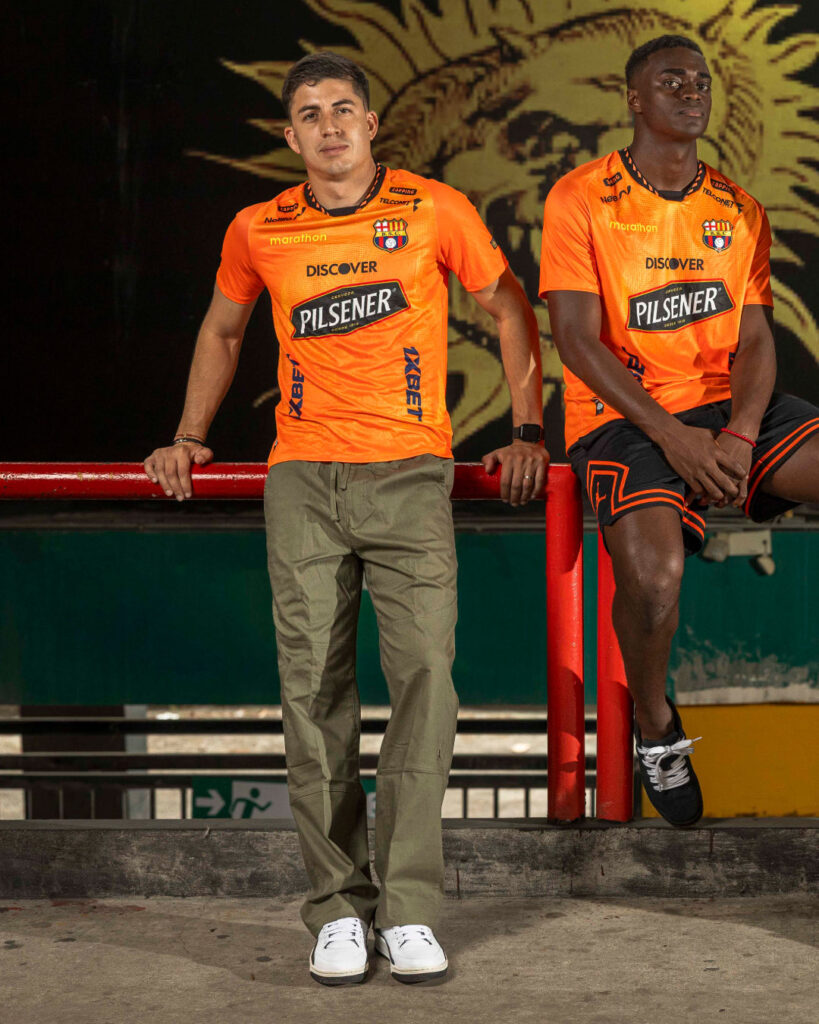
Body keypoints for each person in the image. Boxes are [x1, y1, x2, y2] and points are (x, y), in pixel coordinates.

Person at [144, 51, 548, 985]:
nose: (328, 126)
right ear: (292, 137)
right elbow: (222, 330)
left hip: (410, 475)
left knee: (425, 681)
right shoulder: (258, 227)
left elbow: (508, 306)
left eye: (342, 110)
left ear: (370, 124)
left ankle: (406, 912)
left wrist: (527, 430)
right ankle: (335, 909)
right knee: (311, 692)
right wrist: (189, 436)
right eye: (310, 114)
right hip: (302, 481)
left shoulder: (433, 208)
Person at [540, 34, 819, 828]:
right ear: (634, 99)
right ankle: (655, 724)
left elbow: (755, 339)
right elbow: (575, 341)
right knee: (656, 580)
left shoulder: (738, 208)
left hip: (722, 411)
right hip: (623, 420)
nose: (691, 91)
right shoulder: (579, 197)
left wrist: (738, 434)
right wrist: (672, 435)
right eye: (671, 81)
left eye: (700, 81)